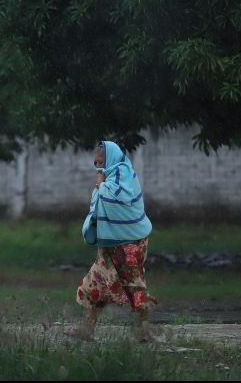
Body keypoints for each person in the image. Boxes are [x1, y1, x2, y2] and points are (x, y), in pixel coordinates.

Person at [65, 140, 158, 342]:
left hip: (130, 243)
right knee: (97, 281)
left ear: (111, 159)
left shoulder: (124, 175)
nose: (99, 167)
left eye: (101, 162)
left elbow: (121, 198)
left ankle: (144, 331)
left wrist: (102, 185)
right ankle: (87, 329)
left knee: (134, 285)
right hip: (110, 243)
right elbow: (100, 202)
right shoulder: (108, 178)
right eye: (96, 163)